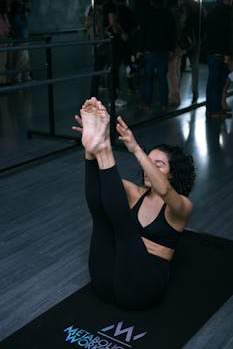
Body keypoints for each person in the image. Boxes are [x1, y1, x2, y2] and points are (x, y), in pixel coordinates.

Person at [72, 97, 196, 310]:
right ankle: (94, 148)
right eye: (149, 162)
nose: (149, 168)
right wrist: (90, 148)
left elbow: (164, 191)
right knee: (101, 215)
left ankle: (104, 148)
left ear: (173, 175)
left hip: (142, 287)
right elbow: (102, 186)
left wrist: (137, 150)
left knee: (125, 227)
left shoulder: (182, 207)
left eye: (157, 164)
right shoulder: (135, 192)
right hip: (107, 283)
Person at [137, 0, 176, 112]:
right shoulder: (168, 14)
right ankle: (164, 103)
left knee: (148, 79)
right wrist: (171, 49)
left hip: (150, 51)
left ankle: (147, 103)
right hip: (163, 51)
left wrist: (140, 49)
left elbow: (142, 33)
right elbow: (172, 33)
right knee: (162, 78)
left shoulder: (147, 13)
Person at [205, 0, 233, 119]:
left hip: (211, 50)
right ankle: (215, 110)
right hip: (221, 52)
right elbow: (227, 34)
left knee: (212, 81)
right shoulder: (227, 13)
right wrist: (227, 53)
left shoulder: (211, 11)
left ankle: (210, 109)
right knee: (218, 82)